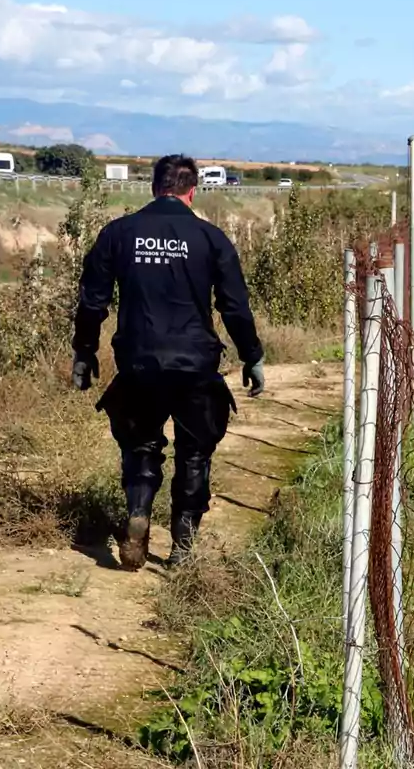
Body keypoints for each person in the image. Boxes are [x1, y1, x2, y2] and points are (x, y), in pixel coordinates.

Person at [71, 154, 266, 572]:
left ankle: (139, 512)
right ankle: (182, 546)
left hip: (139, 364)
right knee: (194, 452)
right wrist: (252, 356)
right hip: (196, 365)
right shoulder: (211, 238)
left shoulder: (119, 234)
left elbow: (92, 301)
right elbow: (234, 308)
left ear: (153, 187)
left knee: (141, 445)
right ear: (192, 190)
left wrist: (84, 351)